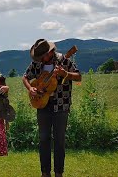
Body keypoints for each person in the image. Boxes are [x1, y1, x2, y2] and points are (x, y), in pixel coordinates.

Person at [22, 39, 82, 177]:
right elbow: (25, 77)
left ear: (49, 52)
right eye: (39, 57)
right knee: (43, 139)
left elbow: (78, 77)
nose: (41, 59)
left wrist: (65, 74)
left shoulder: (64, 59)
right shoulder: (36, 63)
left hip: (61, 105)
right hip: (42, 105)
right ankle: (45, 173)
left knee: (59, 140)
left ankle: (59, 173)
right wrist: (30, 88)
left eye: (42, 56)